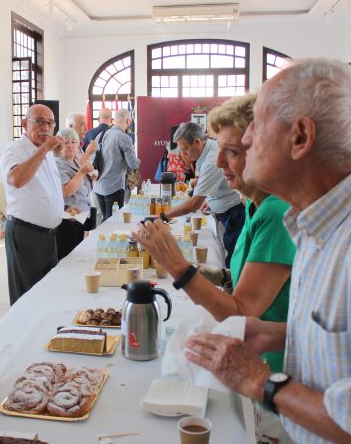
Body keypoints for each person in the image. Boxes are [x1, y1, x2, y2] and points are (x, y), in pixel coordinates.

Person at [183, 59, 351, 443]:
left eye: (258, 124)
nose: (245, 140)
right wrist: (274, 335)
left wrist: (260, 381)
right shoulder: (319, 219)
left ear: (300, 137)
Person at [136, 94, 296, 443]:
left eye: (233, 152)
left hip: (277, 376)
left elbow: (241, 311)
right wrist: (206, 274)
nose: (220, 162)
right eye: (219, 149)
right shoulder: (257, 206)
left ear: (266, 150)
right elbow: (241, 282)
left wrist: (178, 266)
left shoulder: (275, 213)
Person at [1, 104, 64, 304]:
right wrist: (45, 148)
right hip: (26, 234)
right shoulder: (16, 149)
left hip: (48, 236)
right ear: (24, 124)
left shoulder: (46, 152)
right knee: (26, 301)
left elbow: (48, 188)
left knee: (46, 296)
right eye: (39, 122)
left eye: (50, 123)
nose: (46, 128)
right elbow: (16, 179)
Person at [163, 122, 244, 268]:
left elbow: (194, 203)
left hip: (235, 214)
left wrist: (163, 216)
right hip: (225, 210)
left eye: (185, 149)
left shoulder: (213, 159)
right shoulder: (209, 150)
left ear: (197, 142)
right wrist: (209, 198)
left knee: (234, 263)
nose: (185, 154)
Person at [54, 128, 97, 259]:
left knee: (78, 255)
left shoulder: (75, 161)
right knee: (68, 257)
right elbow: (67, 191)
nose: (70, 145)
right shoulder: (58, 162)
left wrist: (89, 176)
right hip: (68, 218)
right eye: (66, 142)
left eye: (73, 142)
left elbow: (81, 185)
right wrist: (82, 172)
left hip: (80, 216)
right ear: (58, 146)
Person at [94, 108, 140, 220]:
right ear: (128, 121)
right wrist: (137, 161)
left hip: (98, 186)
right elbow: (133, 165)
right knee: (115, 222)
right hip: (114, 186)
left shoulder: (100, 135)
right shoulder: (124, 137)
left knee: (105, 221)